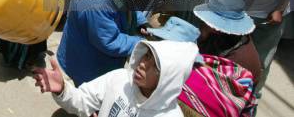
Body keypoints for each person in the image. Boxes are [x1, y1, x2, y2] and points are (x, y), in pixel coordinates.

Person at [56, 0, 149, 87]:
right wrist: (141, 42)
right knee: (91, 102)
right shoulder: (96, 2)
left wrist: (140, 21)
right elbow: (109, 41)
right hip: (88, 64)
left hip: (95, 52)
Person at [36, 40, 198, 117]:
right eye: (146, 56)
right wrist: (63, 89)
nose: (142, 64)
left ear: (168, 79)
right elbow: (82, 101)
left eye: (155, 66)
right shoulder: (120, 78)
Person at [192, 0, 262, 83]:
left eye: (207, 22)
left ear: (216, 29)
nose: (204, 23)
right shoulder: (228, 37)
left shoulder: (236, 60)